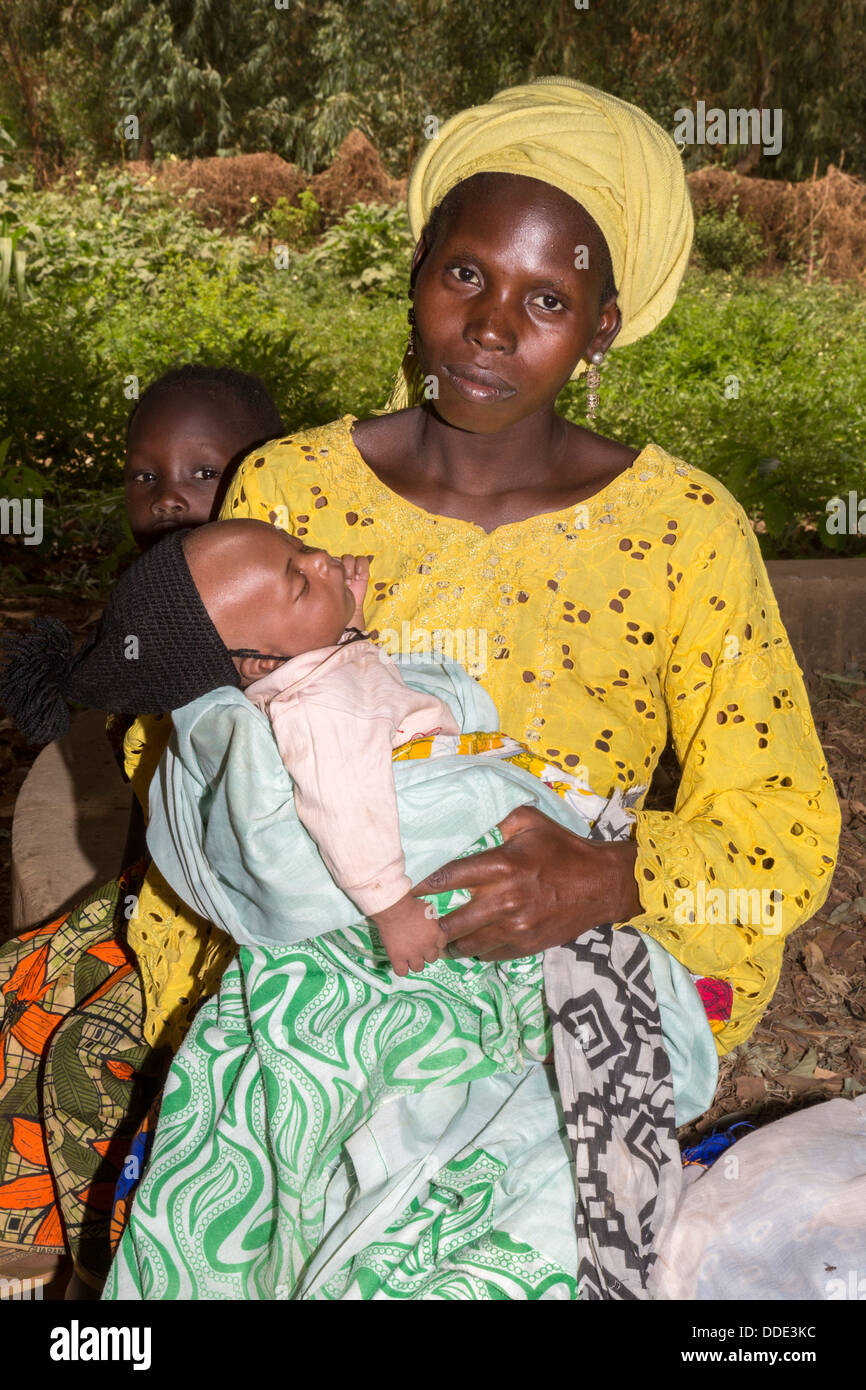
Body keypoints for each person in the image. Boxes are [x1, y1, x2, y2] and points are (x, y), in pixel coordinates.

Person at [103, 79, 840, 1301]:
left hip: (580, 973)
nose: (493, 326)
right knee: (216, 1227)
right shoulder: (288, 489)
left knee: (502, 1256)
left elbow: (783, 834)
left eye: (546, 298)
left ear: (601, 326)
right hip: (317, 968)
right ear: (415, 275)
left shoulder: (684, 531)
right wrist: (245, 958)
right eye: (465, 275)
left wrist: (607, 873)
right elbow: (181, 746)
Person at [0, 366, 285, 1297]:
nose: (168, 499)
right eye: (143, 476)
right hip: (157, 885)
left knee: (94, 1063)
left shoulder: (276, 618)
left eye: (204, 474)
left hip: (248, 917)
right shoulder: (142, 602)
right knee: (15, 984)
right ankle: (23, 1246)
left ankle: (108, 1275)